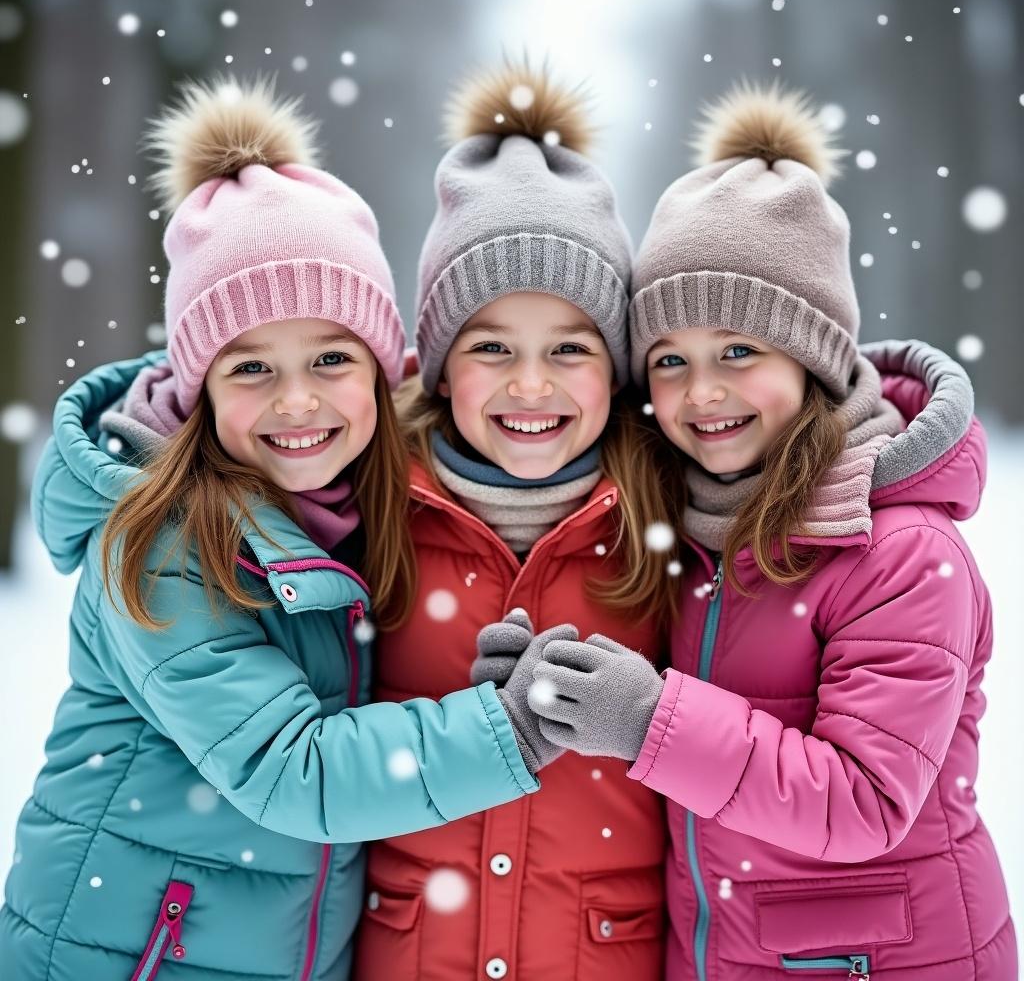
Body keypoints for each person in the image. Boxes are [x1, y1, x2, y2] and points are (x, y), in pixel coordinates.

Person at [0, 77, 540, 981]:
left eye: (332, 358)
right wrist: (503, 729)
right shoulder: (159, 542)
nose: (298, 402)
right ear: (199, 386)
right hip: (128, 956)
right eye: (251, 367)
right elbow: (293, 768)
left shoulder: (343, 517)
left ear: (379, 372)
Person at [525, 83, 1017, 978]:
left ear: (813, 356)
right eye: (669, 361)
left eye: (738, 352)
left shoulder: (900, 551)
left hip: (882, 958)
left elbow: (864, 801)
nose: (701, 393)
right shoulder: (692, 524)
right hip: (724, 952)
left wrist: (647, 719)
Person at [353, 60, 676, 981]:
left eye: (568, 349)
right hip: (411, 952)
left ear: (613, 373)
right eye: (490, 346)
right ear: (437, 369)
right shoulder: (371, 512)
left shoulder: (670, 519)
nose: (529, 385)